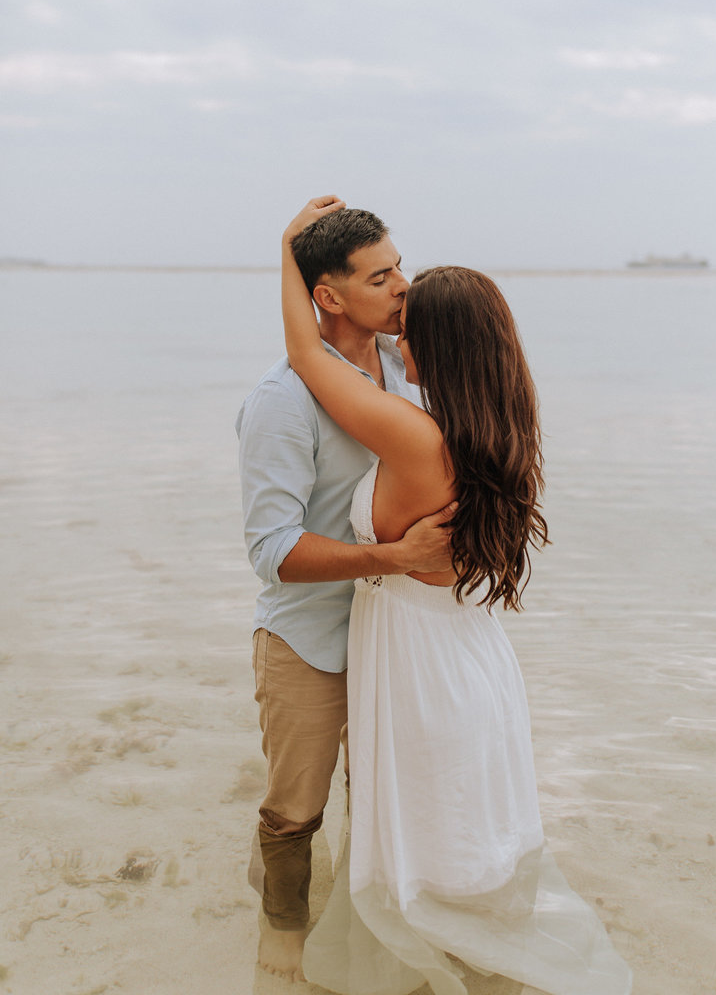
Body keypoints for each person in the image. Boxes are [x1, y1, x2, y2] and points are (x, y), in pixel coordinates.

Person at [280, 197, 633, 995]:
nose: (397, 334)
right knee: (462, 818)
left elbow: (305, 353)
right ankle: (479, 950)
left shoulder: (416, 434)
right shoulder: (495, 425)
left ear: (438, 346)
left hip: (420, 661)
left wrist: (289, 250)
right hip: (471, 654)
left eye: (409, 328)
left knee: (422, 828)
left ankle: (440, 955)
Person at [236, 206, 455, 981]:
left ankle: (369, 929)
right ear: (328, 297)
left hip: (394, 635)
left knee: (382, 798)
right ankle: (283, 928)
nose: (403, 288)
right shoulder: (282, 400)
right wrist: (394, 556)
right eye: (380, 277)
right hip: (309, 639)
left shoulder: (409, 368)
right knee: (296, 806)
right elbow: (271, 551)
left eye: (399, 267)